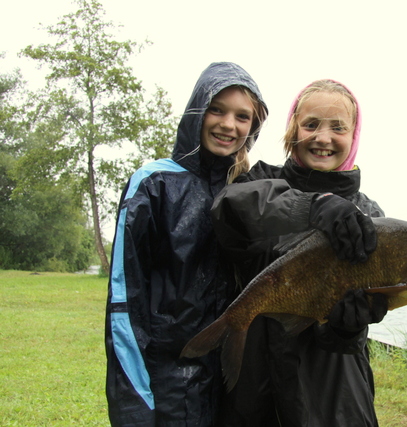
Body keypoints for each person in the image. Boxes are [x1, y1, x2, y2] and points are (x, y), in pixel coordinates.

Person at [210, 79, 386, 426]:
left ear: (354, 137)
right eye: (311, 125)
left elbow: (366, 310)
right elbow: (228, 212)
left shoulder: (369, 216)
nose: (323, 138)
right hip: (255, 393)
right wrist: (311, 207)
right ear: (292, 129)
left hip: (335, 399)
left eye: (338, 128)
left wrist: (347, 329)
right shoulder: (257, 182)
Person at [104, 62, 268, 427]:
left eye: (243, 117)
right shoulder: (153, 184)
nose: (229, 125)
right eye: (217, 109)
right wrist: (135, 406)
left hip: (229, 391)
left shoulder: (246, 191)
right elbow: (123, 303)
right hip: (165, 390)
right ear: (197, 110)